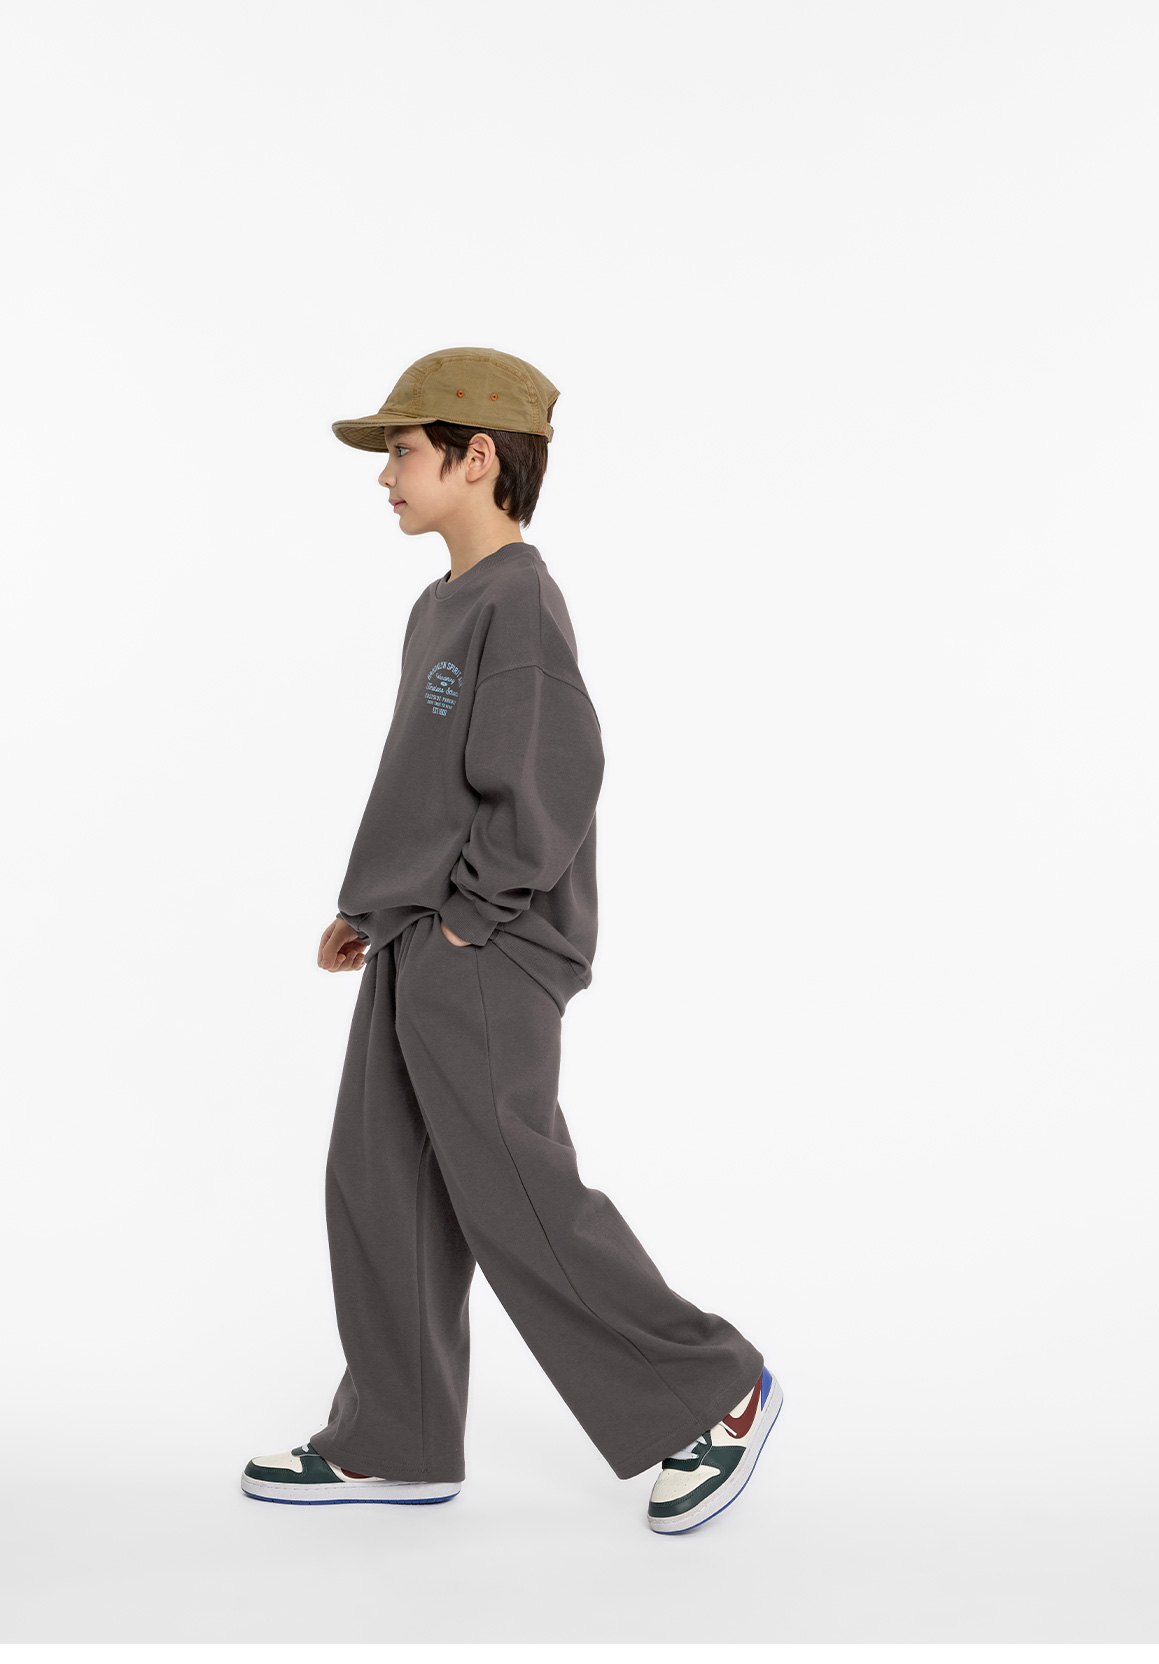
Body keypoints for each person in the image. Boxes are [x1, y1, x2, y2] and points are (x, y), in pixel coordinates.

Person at [240, 346, 782, 1533]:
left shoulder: (519, 600)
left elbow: (553, 775)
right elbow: (434, 781)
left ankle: (715, 1391)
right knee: (378, 1179)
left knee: (517, 1194)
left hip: (488, 949)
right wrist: (379, 908)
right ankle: (396, 1437)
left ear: (477, 457)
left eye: (402, 449)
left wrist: (467, 916)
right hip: (421, 936)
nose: (384, 473)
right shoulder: (441, 603)